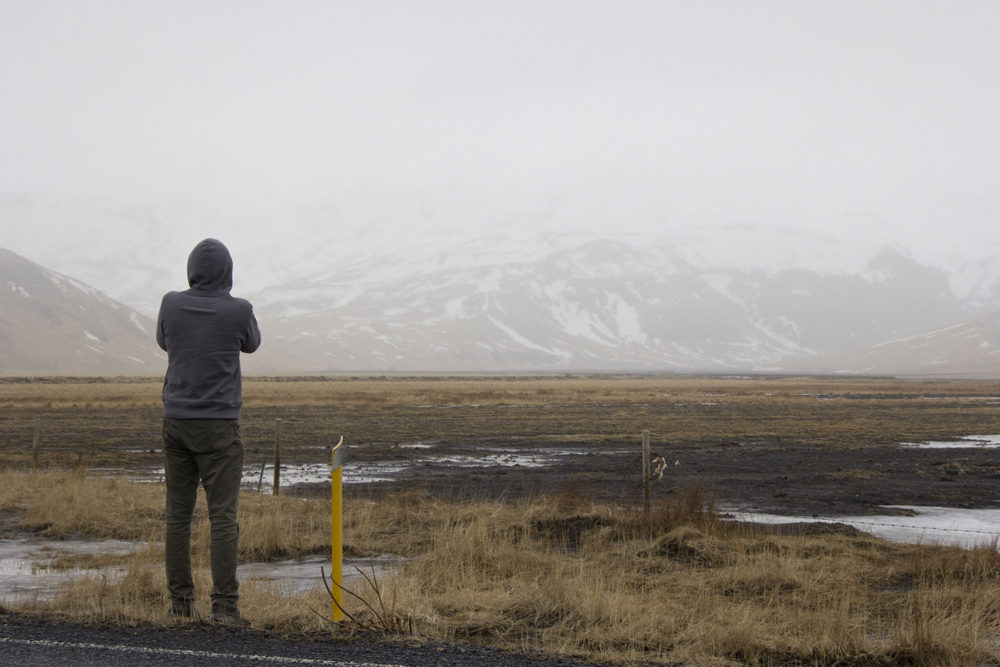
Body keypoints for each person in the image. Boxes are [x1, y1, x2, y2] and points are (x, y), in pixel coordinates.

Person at [156, 238, 261, 624]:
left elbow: (163, 340)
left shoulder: (170, 303)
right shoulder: (240, 310)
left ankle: (180, 605)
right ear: (228, 273)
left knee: (177, 517)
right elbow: (252, 344)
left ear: (191, 270)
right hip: (219, 427)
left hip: (177, 422)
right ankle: (224, 606)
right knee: (222, 517)